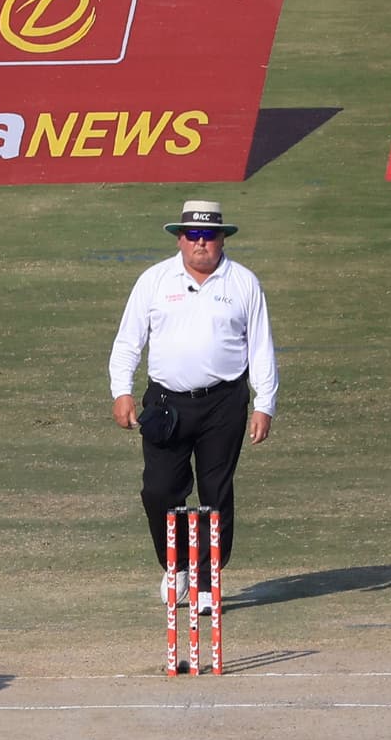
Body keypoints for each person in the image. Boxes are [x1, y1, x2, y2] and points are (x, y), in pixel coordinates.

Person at [109, 199, 278, 600]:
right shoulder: (154, 280)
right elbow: (128, 341)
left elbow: (260, 347)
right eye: (193, 235)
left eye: (209, 235)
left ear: (222, 240)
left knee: (215, 491)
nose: (201, 243)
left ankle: (206, 579)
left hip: (224, 402)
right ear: (180, 239)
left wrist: (264, 403)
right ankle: (177, 566)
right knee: (159, 489)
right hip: (165, 402)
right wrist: (121, 391)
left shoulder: (243, 283)